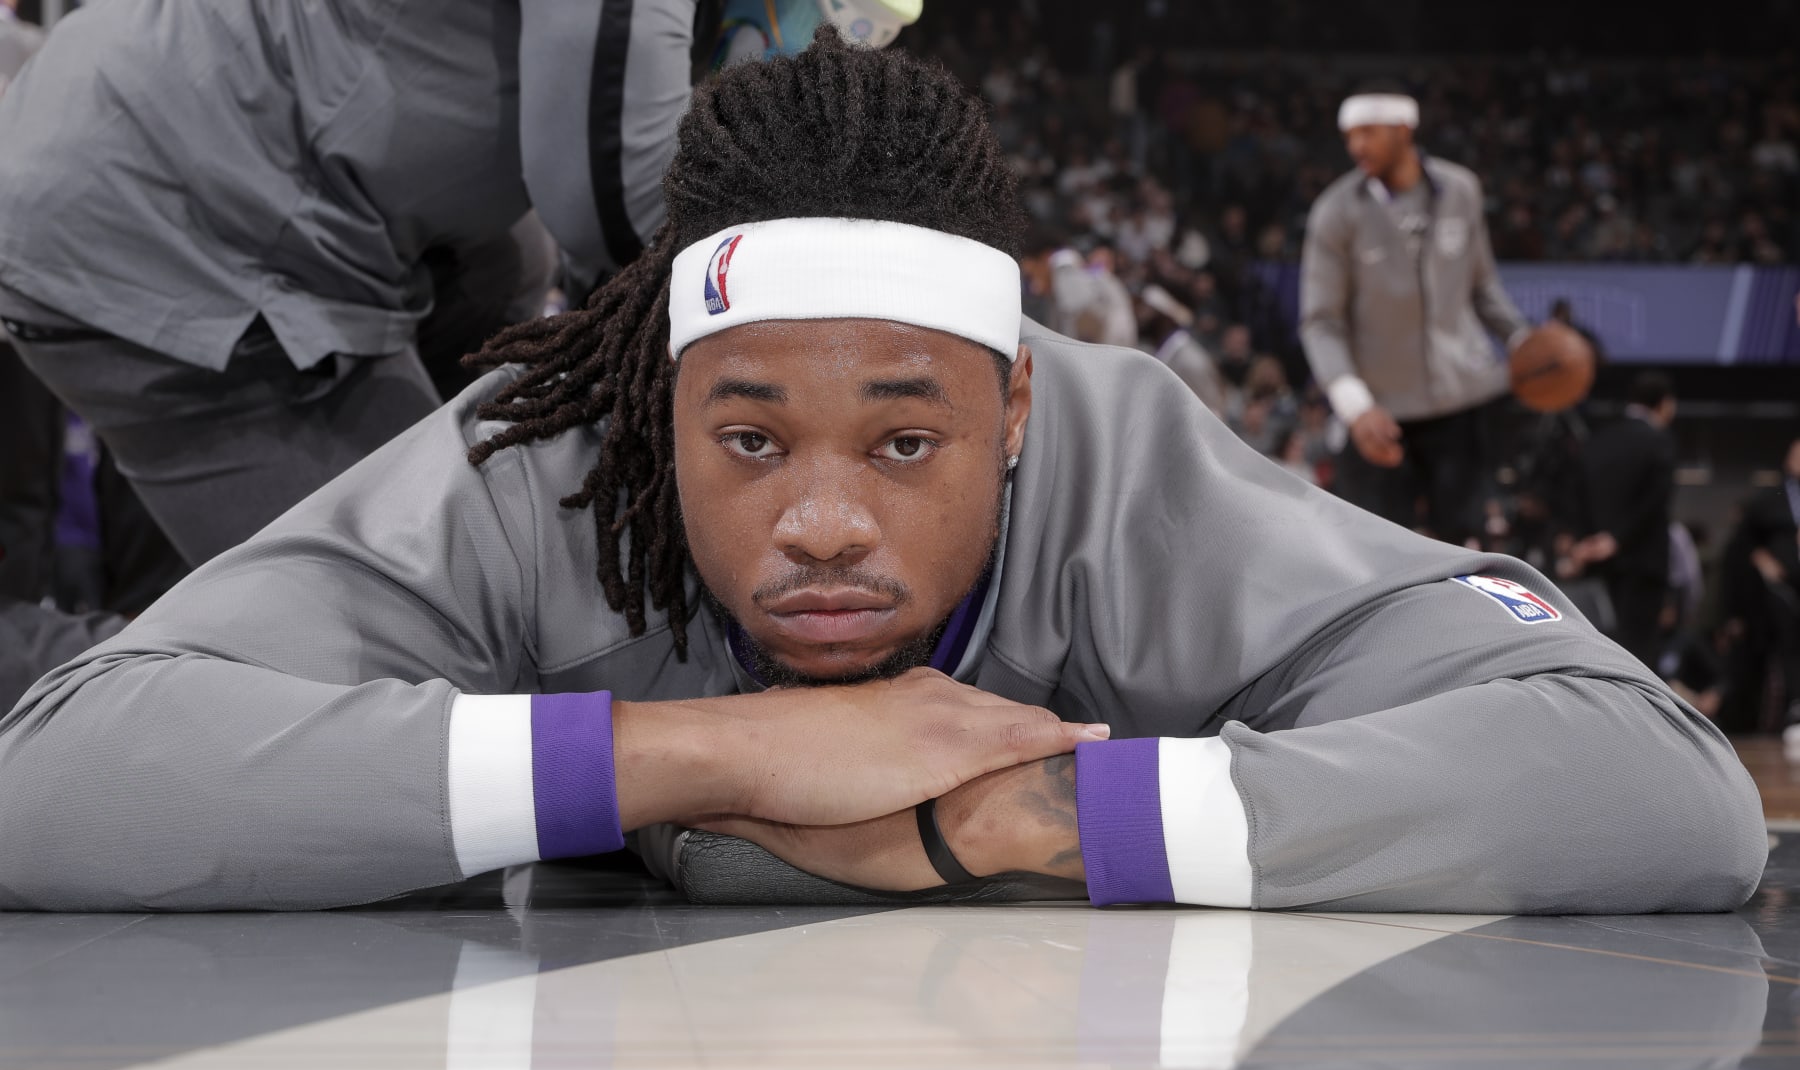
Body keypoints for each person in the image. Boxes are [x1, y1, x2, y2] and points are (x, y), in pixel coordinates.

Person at [0, 34, 1765, 914]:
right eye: (746, 438)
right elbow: (58, 782)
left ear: (1013, 411)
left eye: (906, 441)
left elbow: (1654, 789)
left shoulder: (1132, 455)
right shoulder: (538, 461)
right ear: (658, 403)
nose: (824, 521)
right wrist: (692, 752)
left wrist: (1025, 818)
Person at [0, 0, 918, 571]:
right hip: (181, 215)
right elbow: (609, 199)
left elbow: (528, 199)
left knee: (518, 531)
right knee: (420, 609)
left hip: (246, 174)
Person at [1300, 82, 1535, 547]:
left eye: (1368, 132)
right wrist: (1354, 405)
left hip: (1460, 401)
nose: (1356, 146)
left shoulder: (1462, 190)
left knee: (1463, 549)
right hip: (1379, 411)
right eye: (1350, 135)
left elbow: (1483, 286)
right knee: (1378, 554)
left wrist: (1523, 341)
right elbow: (1321, 321)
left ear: (1404, 130)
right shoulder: (1335, 212)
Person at [1569, 371, 1679, 668]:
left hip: (1595, 562)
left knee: (1597, 649)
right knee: (1638, 656)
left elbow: (1577, 494)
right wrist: (1616, 539)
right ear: (1664, 404)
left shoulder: (1597, 439)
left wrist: (1587, 541)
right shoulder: (1659, 440)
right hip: (1642, 565)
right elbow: (1654, 501)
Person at [1725, 437, 1800, 755]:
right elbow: (1742, 546)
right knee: (1785, 654)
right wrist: (1764, 561)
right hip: (1779, 595)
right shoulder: (1769, 501)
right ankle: (1790, 713)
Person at [1136, 284, 1226, 415]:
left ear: (1165, 319)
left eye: (1147, 309)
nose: (1140, 314)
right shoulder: (1154, 352)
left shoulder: (1190, 361)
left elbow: (1213, 415)